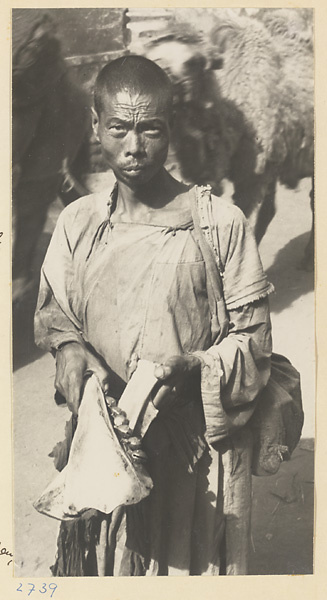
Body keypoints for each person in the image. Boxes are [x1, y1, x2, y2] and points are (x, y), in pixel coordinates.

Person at [34, 55, 273, 576]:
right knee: (102, 568)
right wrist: (70, 348)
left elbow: (255, 345)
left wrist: (192, 366)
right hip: (101, 453)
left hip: (189, 458)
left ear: (170, 129)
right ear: (95, 125)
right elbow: (57, 314)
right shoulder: (80, 222)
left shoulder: (220, 224)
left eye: (151, 130)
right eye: (119, 128)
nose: (135, 147)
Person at [12, 10, 89, 302]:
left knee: (31, 215)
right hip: (53, 162)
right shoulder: (63, 81)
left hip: (41, 164)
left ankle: (19, 279)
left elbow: (19, 132)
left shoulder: (30, 76)